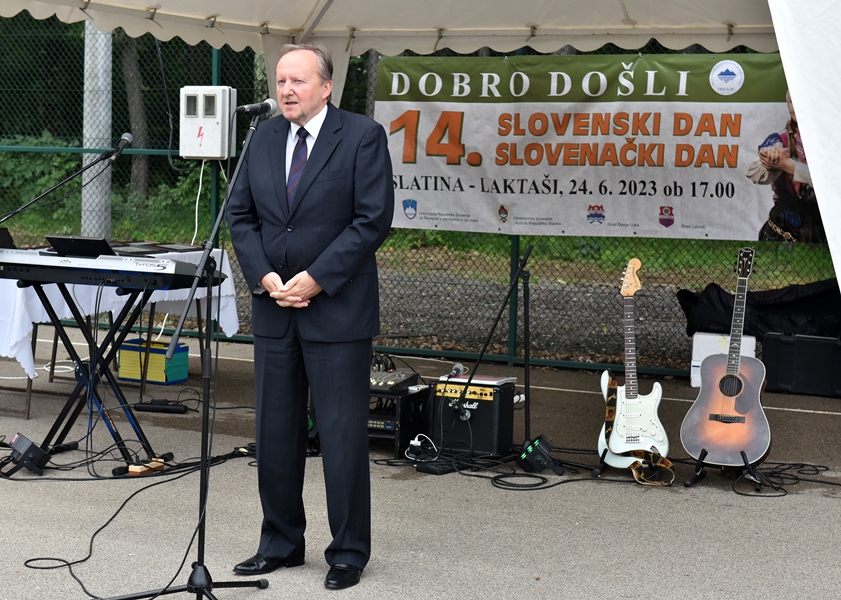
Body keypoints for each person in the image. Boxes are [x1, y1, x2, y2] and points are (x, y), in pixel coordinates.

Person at [226, 43, 394, 590]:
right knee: (275, 433)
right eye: (280, 81)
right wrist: (264, 277)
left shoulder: (362, 136)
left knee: (342, 436)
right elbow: (241, 216)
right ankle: (280, 542)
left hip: (337, 311)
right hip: (275, 309)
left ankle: (348, 551)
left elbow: (372, 219)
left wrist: (317, 277)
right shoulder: (262, 137)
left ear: (326, 86)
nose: (286, 90)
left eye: (297, 81)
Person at [746, 90, 826, 244]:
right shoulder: (780, 141)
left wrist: (789, 166)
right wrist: (770, 159)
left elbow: (829, 181)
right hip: (784, 227)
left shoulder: (829, 142)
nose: (796, 107)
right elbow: (753, 173)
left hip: (822, 226)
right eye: (792, 102)